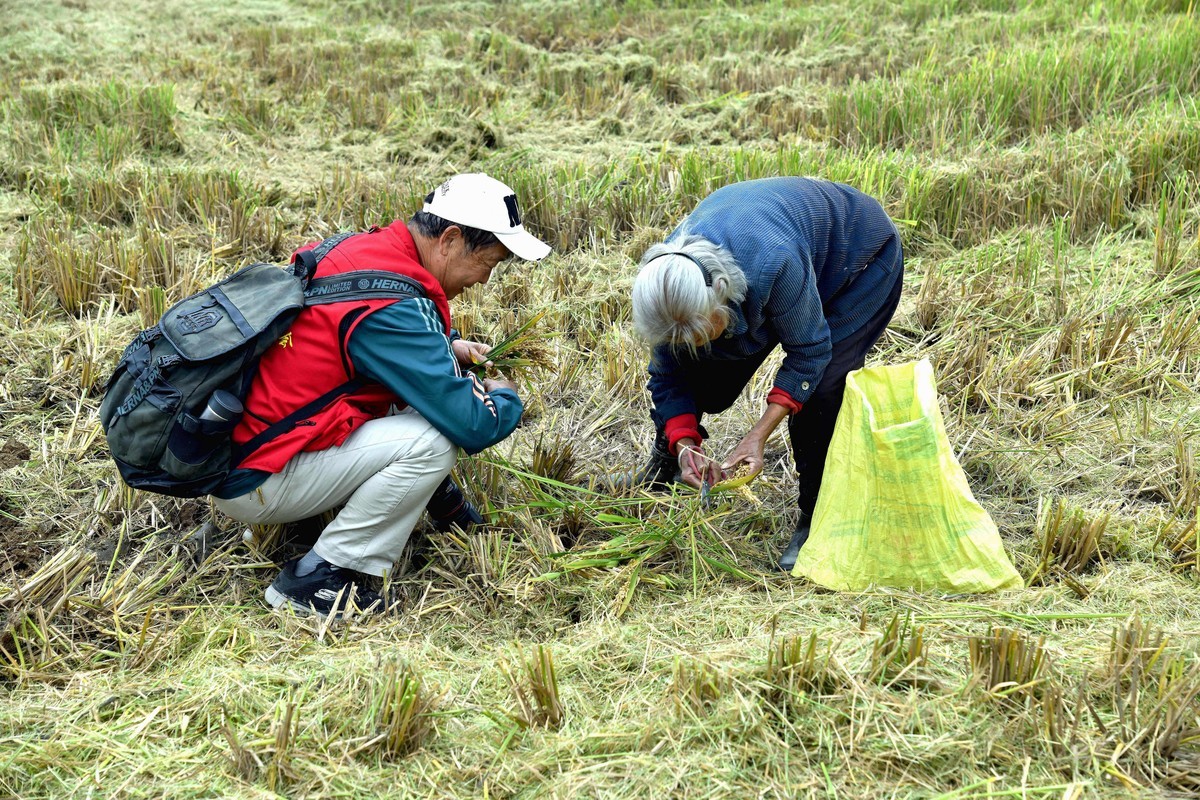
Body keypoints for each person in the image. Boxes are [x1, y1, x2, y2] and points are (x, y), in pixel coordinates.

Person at [212, 173, 551, 614]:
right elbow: (473, 424)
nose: (485, 280)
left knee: (413, 393)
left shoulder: (362, 251)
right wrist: (504, 395)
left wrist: (446, 347)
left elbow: (361, 337)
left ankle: (426, 505)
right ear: (450, 239)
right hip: (257, 479)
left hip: (237, 453)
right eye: (489, 261)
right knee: (434, 438)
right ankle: (321, 577)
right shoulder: (395, 307)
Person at [626, 176, 904, 571]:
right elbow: (668, 374)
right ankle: (670, 462)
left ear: (722, 294)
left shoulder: (774, 262)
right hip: (777, 256)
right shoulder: (667, 281)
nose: (696, 343)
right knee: (695, 371)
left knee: (823, 389)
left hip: (857, 260)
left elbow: (810, 352)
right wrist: (684, 442)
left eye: (703, 332)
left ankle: (816, 515)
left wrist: (757, 436)